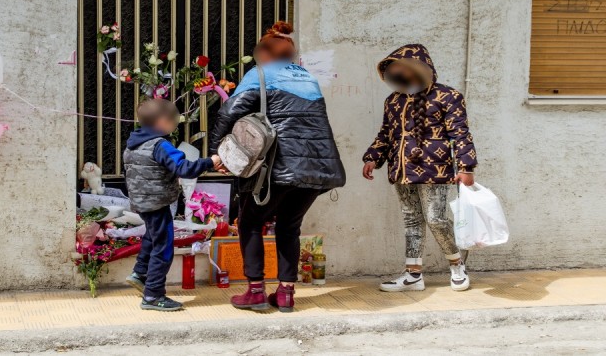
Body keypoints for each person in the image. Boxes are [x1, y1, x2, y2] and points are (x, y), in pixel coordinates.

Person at [210, 21, 346, 312]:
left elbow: (228, 113)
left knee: (250, 222)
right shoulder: (308, 77)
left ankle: (255, 292)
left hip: (278, 167)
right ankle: (285, 293)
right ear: (292, 53)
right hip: (318, 168)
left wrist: (218, 153)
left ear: (263, 53)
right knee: (289, 227)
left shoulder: (260, 74)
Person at [362, 44, 477, 292]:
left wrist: (466, 167)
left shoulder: (448, 96)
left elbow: (460, 134)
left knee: (436, 219)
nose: (398, 75)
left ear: (418, 68)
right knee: (411, 220)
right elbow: (386, 133)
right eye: (394, 71)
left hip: (434, 169)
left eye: (401, 69)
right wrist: (373, 157)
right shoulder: (393, 100)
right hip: (401, 169)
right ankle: (413, 274)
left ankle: (457, 265)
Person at [123, 99, 221, 311]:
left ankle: (140, 272)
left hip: (143, 202)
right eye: (173, 122)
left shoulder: (134, 143)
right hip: (157, 203)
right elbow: (184, 168)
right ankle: (153, 295)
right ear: (161, 122)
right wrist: (210, 162)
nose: (175, 125)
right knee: (163, 248)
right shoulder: (160, 145)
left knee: (151, 236)